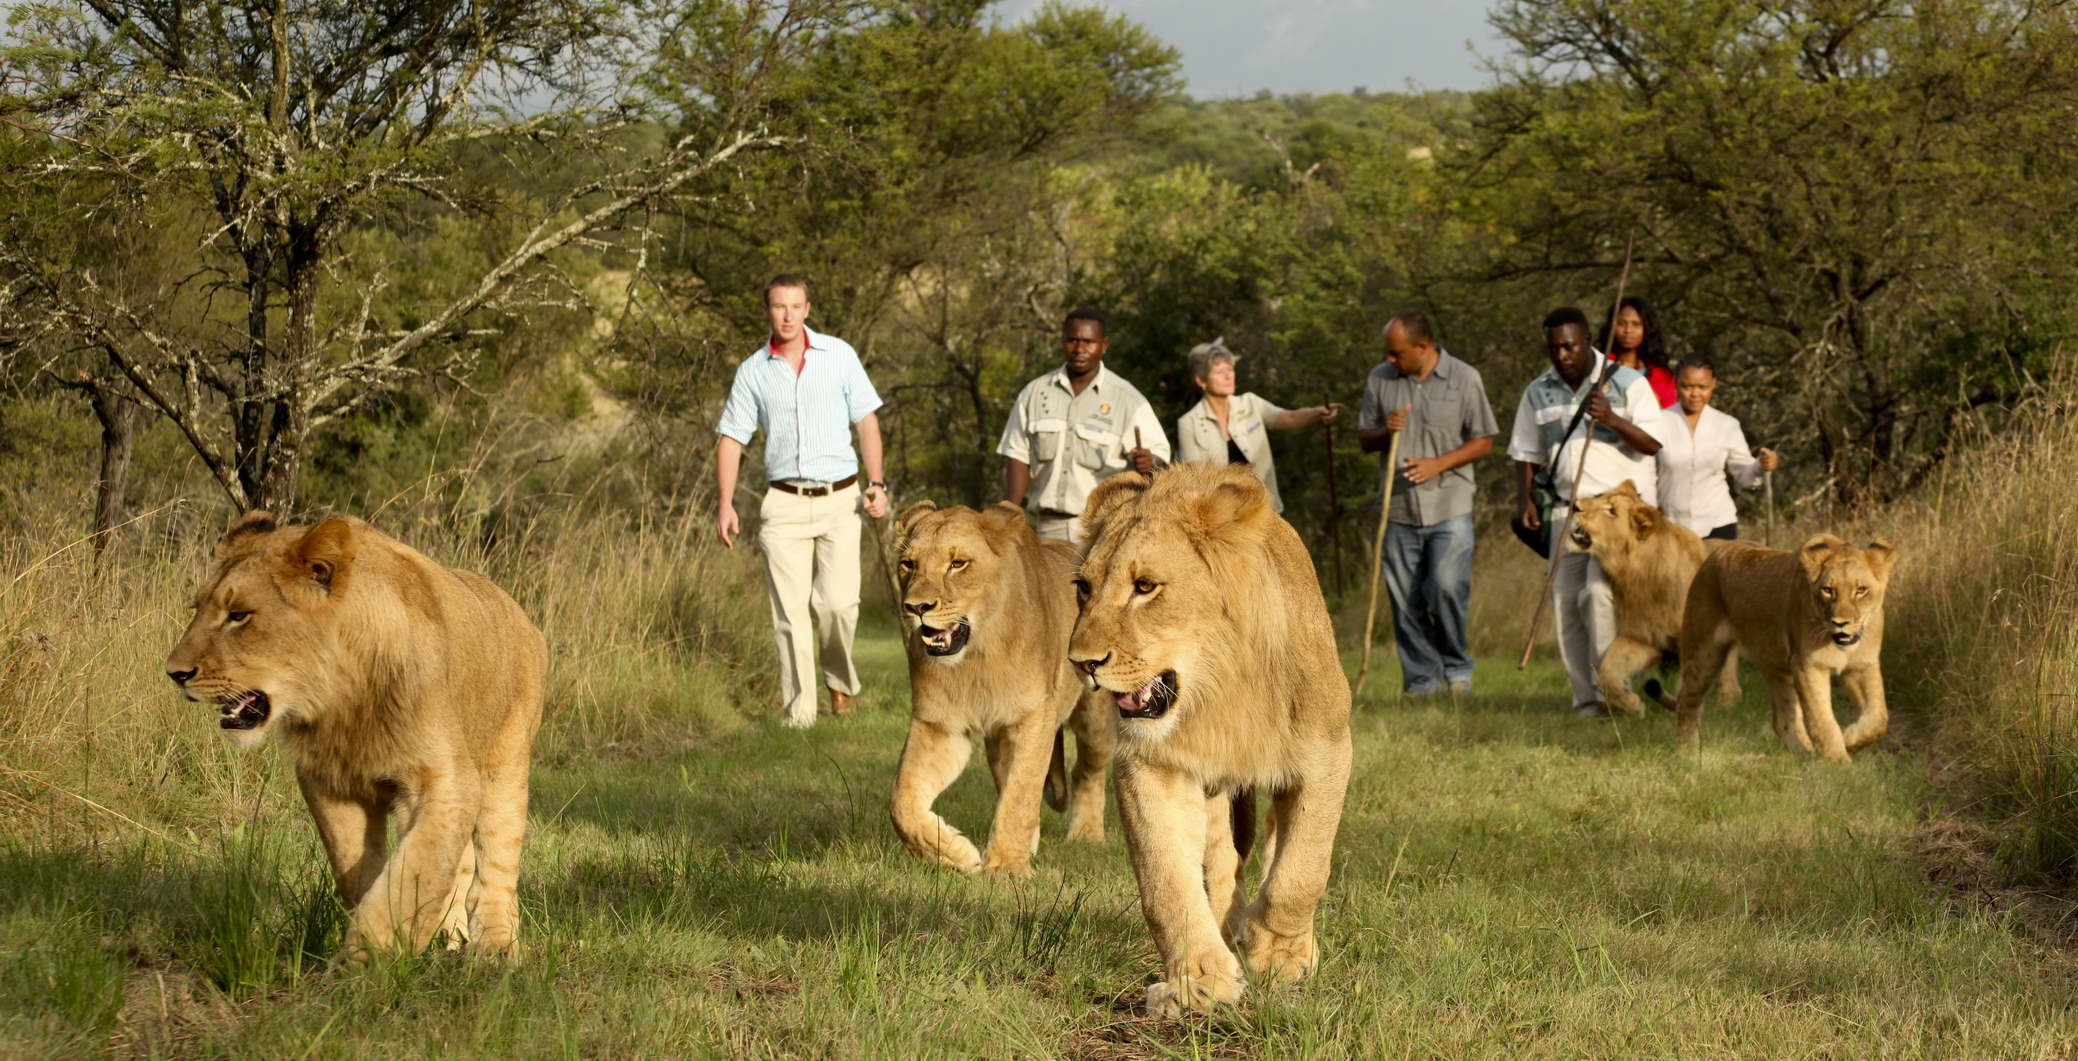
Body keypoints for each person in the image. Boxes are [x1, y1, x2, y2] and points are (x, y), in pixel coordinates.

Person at [715, 274, 892, 729]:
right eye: (779, 306)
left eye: (796, 306)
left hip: (841, 499)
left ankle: (840, 684)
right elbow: (732, 438)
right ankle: (801, 715)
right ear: (767, 311)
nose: (788, 315)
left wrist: (878, 483)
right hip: (784, 504)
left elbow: (867, 422)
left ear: (808, 309)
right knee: (790, 614)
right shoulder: (753, 370)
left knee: (838, 605)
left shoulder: (839, 356)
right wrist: (726, 502)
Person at [1508, 306, 1666, 718]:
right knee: (1566, 603)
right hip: (1567, 510)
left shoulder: (1627, 383)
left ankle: (1615, 688)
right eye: (1553, 347)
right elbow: (1526, 453)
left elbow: (1653, 444)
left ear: (1588, 341)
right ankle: (1587, 699)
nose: (1561, 354)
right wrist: (1525, 498)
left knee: (1597, 596)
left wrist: (1611, 417)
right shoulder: (1537, 390)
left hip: (1615, 513)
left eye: (1569, 346)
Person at [1356, 309, 1500, 695]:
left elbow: (1484, 439)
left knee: (1446, 585)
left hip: (1449, 504)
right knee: (1405, 598)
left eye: (1396, 353)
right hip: (1399, 508)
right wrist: (1384, 432)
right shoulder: (1380, 379)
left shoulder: (1465, 378)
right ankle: (1422, 679)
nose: (1390, 359)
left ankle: (1456, 670)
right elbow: (1364, 439)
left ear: (1423, 347)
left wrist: (1440, 464)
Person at [998, 307, 1171, 544]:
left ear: (1104, 345)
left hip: (1102, 528)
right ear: (1063, 341)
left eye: (1088, 342)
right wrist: (1011, 513)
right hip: (1046, 528)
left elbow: (1160, 458)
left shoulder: (1128, 399)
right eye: (1073, 340)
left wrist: (1151, 462)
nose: (1079, 349)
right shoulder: (1035, 393)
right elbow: (1017, 454)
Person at [1174, 336, 1342, 513]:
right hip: (1222, 519)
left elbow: (1289, 417)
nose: (1228, 375)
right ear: (1201, 381)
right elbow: (1194, 479)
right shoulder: (1188, 423)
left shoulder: (1251, 403)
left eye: (1230, 369)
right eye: (1219, 371)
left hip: (1266, 511)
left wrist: (1317, 412)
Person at [1655, 355, 1781, 539]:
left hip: (1717, 525)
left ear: (1714, 384)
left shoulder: (1727, 425)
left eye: (1702, 387)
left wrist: (1760, 465)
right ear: (1676, 384)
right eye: (1687, 386)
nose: (1695, 394)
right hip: (1670, 527)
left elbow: (1745, 476)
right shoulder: (1659, 421)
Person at [1597, 295, 1678, 408]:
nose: (1628, 330)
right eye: (1621, 323)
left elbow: (1669, 413)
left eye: (1636, 324)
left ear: (1647, 328)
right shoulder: (1600, 365)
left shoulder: (1663, 376)